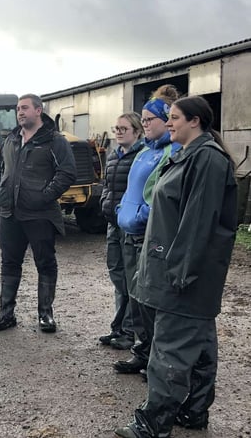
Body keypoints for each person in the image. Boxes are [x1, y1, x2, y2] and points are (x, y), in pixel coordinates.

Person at [114, 96, 237, 437]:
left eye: (175, 117)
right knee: (198, 346)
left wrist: (181, 273)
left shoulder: (207, 161)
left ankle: (153, 423)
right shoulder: (186, 156)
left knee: (171, 348)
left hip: (186, 275)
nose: (169, 123)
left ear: (195, 121)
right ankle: (194, 411)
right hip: (180, 270)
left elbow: (199, 223)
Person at [0, 93, 76, 332]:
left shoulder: (54, 140)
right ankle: (6, 314)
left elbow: (67, 173)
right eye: (18, 108)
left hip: (40, 214)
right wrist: (0, 192)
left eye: (25, 108)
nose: (20, 112)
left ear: (38, 110)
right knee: (9, 263)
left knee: (45, 263)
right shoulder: (10, 140)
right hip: (9, 213)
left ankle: (45, 315)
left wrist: (43, 196)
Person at [113, 85, 181, 375]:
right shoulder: (144, 152)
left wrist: (140, 216)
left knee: (149, 300)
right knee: (135, 297)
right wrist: (121, 212)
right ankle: (142, 350)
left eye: (149, 119)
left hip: (146, 236)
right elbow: (132, 189)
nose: (145, 124)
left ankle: (155, 355)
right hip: (128, 233)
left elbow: (160, 198)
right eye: (142, 119)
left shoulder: (170, 152)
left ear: (165, 120)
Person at [98, 113, 144, 349]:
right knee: (117, 275)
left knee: (130, 278)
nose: (118, 132)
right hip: (112, 224)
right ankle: (118, 327)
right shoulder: (115, 156)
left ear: (137, 132)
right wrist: (105, 202)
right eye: (116, 128)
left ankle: (128, 332)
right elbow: (107, 185)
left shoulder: (142, 157)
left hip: (129, 226)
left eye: (124, 129)